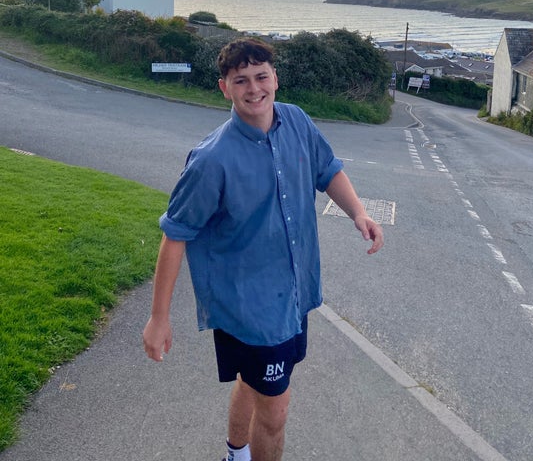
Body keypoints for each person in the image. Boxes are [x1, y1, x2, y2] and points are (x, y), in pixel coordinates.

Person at [143, 37, 384, 461]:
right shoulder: (211, 159)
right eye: (241, 80)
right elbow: (175, 234)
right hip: (250, 307)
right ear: (225, 88)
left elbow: (328, 170)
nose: (254, 88)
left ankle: (235, 455)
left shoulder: (297, 121)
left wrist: (358, 213)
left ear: (275, 78)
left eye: (261, 76)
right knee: (275, 412)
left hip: (293, 294)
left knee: (253, 381)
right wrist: (158, 318)